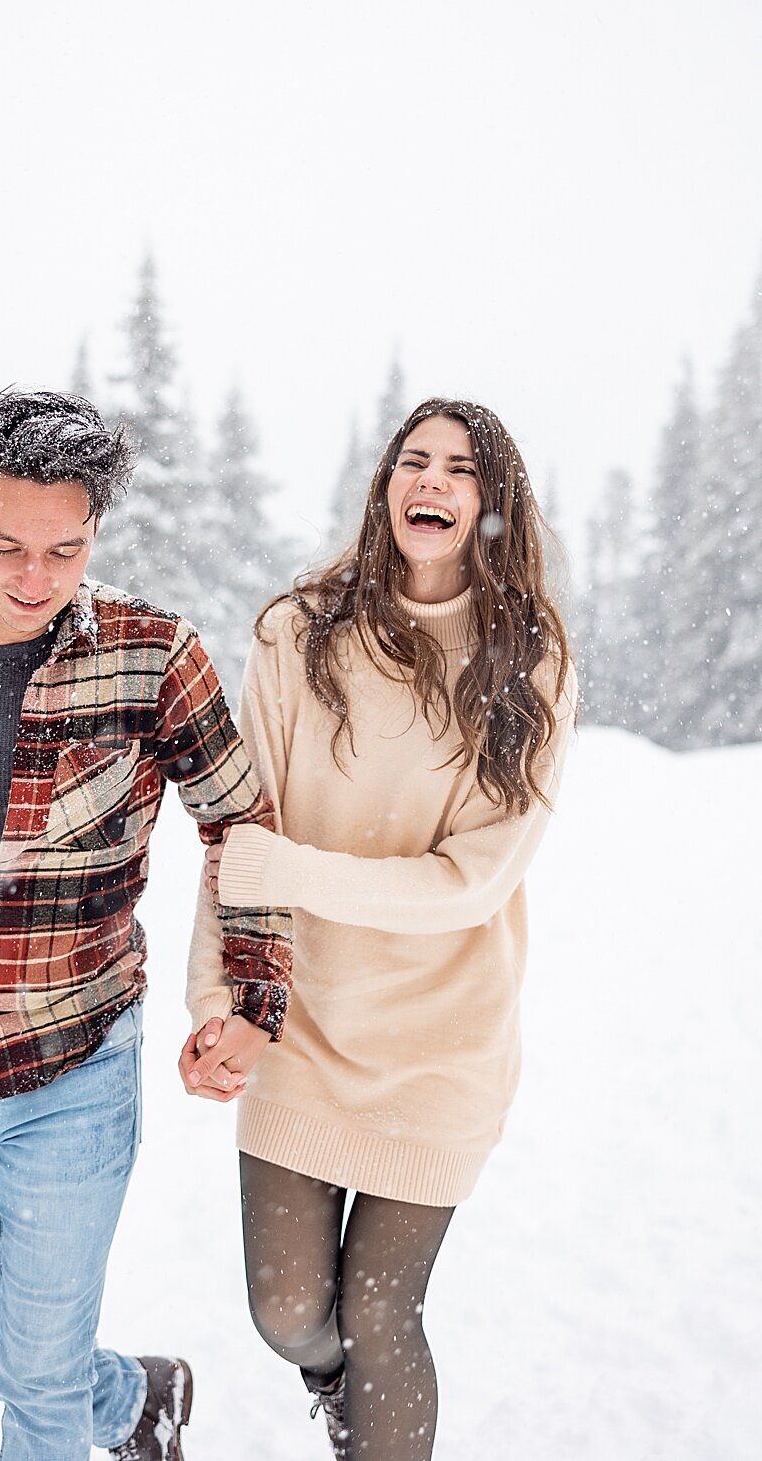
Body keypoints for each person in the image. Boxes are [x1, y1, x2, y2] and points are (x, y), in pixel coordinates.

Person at [0, 389, 292, 1461]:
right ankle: (134, 1399)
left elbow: (243, 824)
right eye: (7, 545)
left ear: (95, 535)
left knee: (36, 1384)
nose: (35, 577)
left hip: (75, 1066)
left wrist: (253, 999)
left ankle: (85, 1404)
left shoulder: (153, 657)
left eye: (65, 550)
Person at [181, 398, 577, 1460]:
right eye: (416, 462)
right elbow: (240, 834)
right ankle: (339, 1391)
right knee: (289, 1314)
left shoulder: (528, 661)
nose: (433, 483)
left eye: (460, 469)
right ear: (387, 486)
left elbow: (469, 882)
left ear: (494, 504)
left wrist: (297, 871)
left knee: (382, 1315)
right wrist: (217, 1001)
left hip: (443, 1041)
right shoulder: (298, 632)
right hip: (302, 1023)